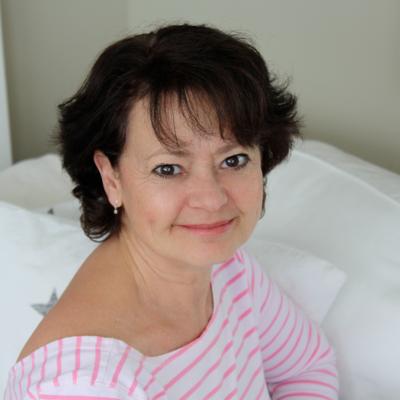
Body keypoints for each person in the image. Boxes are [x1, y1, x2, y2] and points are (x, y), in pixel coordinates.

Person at [5, 23, 338, 399]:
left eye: (233, 160)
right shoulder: (81, 387)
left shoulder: (228, 269)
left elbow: (307, 369)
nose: (212, 200)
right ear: (111, 178)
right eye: (168, 168)